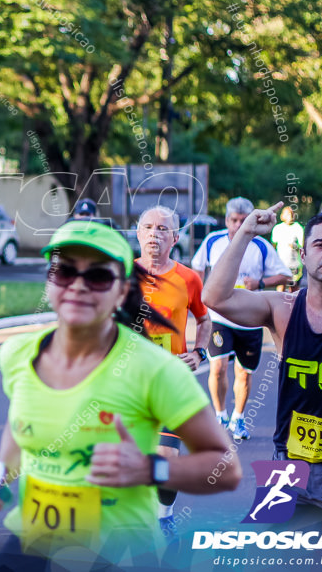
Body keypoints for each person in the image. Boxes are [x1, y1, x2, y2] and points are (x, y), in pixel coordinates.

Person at [0, 221, 240, 567]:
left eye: (97, 277)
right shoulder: (17, 353)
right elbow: (19, 434)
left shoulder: (155, 369)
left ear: (122, 291)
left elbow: (226, 468)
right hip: (32, 543)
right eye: (64, 271)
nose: (78, 286)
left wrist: (148, 469)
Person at [203, 205, 322, 533]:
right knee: (282, 557)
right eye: (320, 245)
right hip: (287, 459)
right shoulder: (281, 307)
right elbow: (214, 297)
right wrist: (245, 232)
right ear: (303, 254)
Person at [134, 206, 213, 541]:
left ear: (175, 237)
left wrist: (199, 352)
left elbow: (204, 318)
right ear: (138, 233)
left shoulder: (188, 279)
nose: (155, 234)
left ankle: (164, 516)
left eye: (163, 229)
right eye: (148, 227)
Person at [191, 197, 292, 441]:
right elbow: (197, 269)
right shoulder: (212, 241)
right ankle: (219, 414)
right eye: (233, 220)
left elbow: (285, 276)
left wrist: (259, 283)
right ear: (226, 221)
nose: (237, 224)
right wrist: (199, 300)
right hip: (219, 317)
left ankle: (238, 417)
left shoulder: (261, 246)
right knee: (217, 367)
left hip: (249, 320)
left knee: (244, 373)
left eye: (242, 220)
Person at [271, 205, 304, 292]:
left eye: (291, 214)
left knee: (293, 288)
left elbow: (302, 246)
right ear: (283, 216)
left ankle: (295, 305)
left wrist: (295, 247)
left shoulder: (298, 228)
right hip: (281, 264)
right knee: (280, 287)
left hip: (294, 265)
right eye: (287, 214)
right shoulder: (277, 228)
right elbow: (273, 246)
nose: (290, 216)